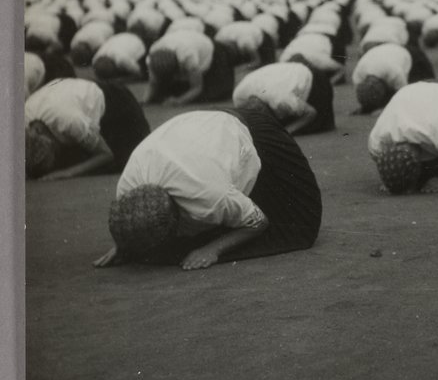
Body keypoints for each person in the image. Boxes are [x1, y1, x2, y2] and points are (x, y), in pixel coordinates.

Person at [94, 107, 322, 270]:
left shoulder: (209, 195)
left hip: (248, 130)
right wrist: (126, 241)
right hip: (196, 128)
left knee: (297, 226)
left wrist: (213, 249)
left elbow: (259, 222)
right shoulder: (126, 188)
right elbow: (134, 218)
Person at [25, 78, 151, 181]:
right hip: (72, 92)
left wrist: (68, 173)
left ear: (40, 131)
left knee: (135, 160)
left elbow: (106, 154)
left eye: (55, 149)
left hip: (113, 100)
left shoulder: (70, 121)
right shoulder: (24, 119)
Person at [232, 59, 336, 135]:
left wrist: (286, 132)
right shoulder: (237, 97)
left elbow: (311, 112)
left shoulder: (279, 99)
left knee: (315, 124)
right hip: (285, 71)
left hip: (313, 78)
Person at [144, 28, 235, 105]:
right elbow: (153, 82)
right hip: (185, 41)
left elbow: (197, 87)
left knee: (215, 94)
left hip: (209, 48)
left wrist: (178, 101)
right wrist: (146, 101)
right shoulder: (151, 58)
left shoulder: (187, 56)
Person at [350, 41, 435, 114]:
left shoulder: (395, 73)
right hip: (384, 52)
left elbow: (403, 98)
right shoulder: (357, 76)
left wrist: (384, 110)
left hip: (409, 54)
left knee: (426, 90)